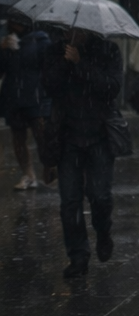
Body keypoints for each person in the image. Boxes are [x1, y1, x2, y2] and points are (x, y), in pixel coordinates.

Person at [42, 27, 123, 278]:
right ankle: (78, 255)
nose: (70, 34)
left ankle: (103, 231)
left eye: (75, 30)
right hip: (68, 138)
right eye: (66, 30)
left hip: (99, 136)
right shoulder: (56, 51)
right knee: (70, 202)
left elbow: (112, 87)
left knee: (100, 196)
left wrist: (81, 64)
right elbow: (48, 86)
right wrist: (66, 63)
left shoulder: (108, 50)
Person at [1, 15, 54, 190]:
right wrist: (3, 49)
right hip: (13, 95)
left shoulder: (41, 40)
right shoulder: (7, 41)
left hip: (36, 94)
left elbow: (48, 67)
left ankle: (49, 168)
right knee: (18, 136)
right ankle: (28, 174)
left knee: (41, 134)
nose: (14, 24)